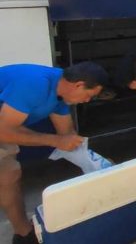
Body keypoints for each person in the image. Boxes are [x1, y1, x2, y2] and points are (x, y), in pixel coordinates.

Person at [0, 62, 108, 244]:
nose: (87, 101)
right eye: (89, 95)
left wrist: (101, 165)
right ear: (79, 85)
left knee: (9, 176)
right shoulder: (35, 84)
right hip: (3, 126)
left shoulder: (61, 92)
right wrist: (55, 141)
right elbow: (4, 132)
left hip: (5, 123)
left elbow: (67, 136)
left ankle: (24, 234)